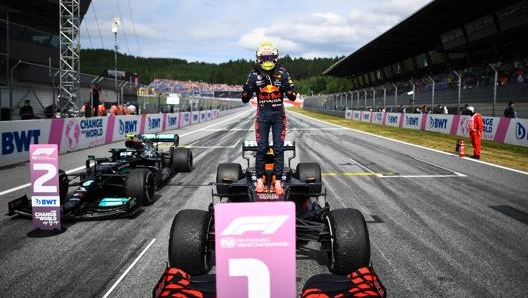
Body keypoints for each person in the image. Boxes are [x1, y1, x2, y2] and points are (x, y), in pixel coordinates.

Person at [241, 41, 297, 195]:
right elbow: (244, 99)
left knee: (279, 148)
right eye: (264, 57)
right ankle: (259, 179)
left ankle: (278, 181)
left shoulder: (283, 73)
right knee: (262, 147)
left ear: (275, 57)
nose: (266, 60)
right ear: (258, 58)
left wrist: (289, 89)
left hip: (279, 116)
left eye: (269, 57)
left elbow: (292, 96)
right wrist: (246, 90)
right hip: (263, 115)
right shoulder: (253, 75)